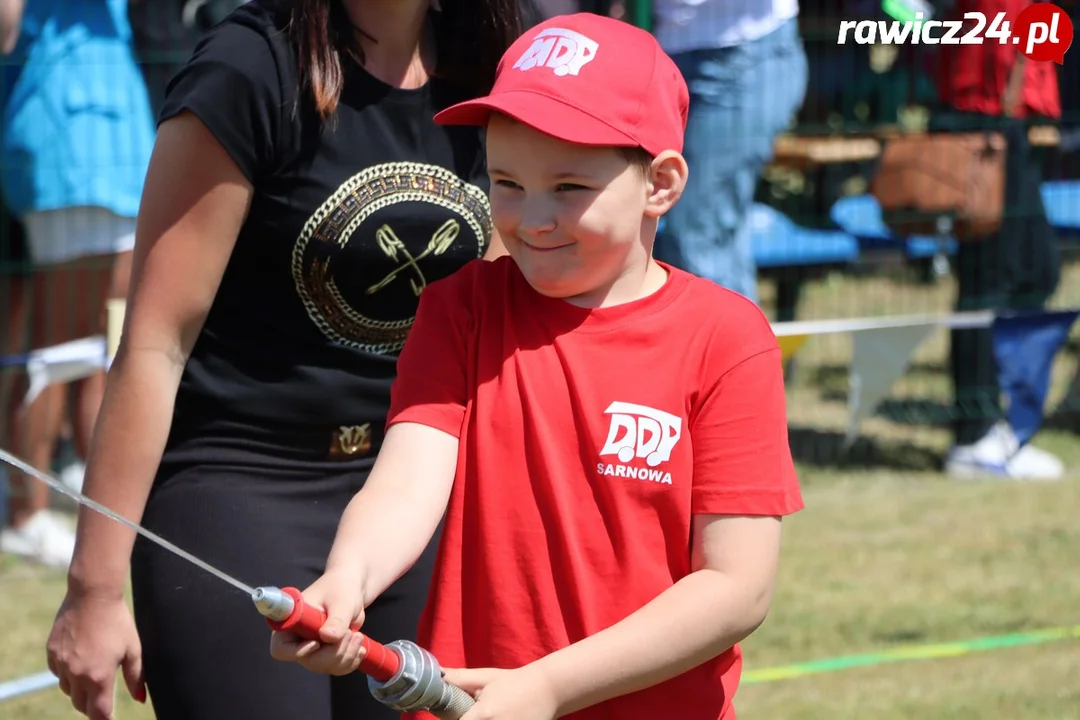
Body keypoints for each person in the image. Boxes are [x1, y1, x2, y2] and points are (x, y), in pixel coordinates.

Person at [270, 13, 803, 720]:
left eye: (570, 188)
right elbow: (405, 483)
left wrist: (552, 685)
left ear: (661, 183)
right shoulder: (459, 311)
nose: (530, 218)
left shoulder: (727, 338)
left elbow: (738, 586)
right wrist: (349, 576)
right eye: (507, 182)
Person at [45, 0, 525, 718]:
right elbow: (154, 343)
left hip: (414, 483)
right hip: (239, 479)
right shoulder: (248, 67)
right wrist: (94, 588)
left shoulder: (494, 63)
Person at [0, 0, 152, 567]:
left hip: (115, 136)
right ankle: (25, 514)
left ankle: (105, 509)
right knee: (57, 348)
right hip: (68, 135)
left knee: (98, 347)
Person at [933, 0, 1065, 479]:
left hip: (1011, 108)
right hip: (982, 110)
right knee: (988, 281)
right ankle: (973, 436)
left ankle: (997, 423)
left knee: (1035, 270)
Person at [650, 0, 808, 303]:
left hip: (746, 50)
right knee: (702, 229)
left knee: (699, 227)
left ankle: (731, 348)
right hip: (662, 51)